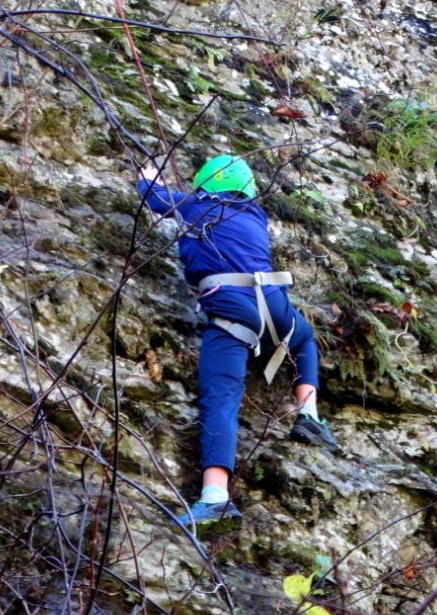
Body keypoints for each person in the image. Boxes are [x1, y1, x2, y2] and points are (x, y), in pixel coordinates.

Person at [136, 154, 338, 534]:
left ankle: (214, 498)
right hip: (273, 302)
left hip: (232, 306)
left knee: (221, 398)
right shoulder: (255, 215)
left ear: (204, 185)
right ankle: (308, 413)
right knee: (305, 337)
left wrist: (148, 177)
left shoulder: (196, 205)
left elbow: (156, 198)